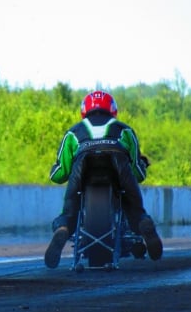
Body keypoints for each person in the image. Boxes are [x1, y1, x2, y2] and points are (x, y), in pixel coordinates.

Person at [44, 90, 163, 268]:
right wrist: (141, 170)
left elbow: (59, 174)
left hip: (83, 162)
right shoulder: (124, 129)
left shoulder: (74, 132)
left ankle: (63, 228)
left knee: (69, 211)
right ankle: (143, 222)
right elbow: (138, 171)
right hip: (118, 161)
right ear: (112, 110)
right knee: (135, 208)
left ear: (84, 110)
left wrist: (54, 171)